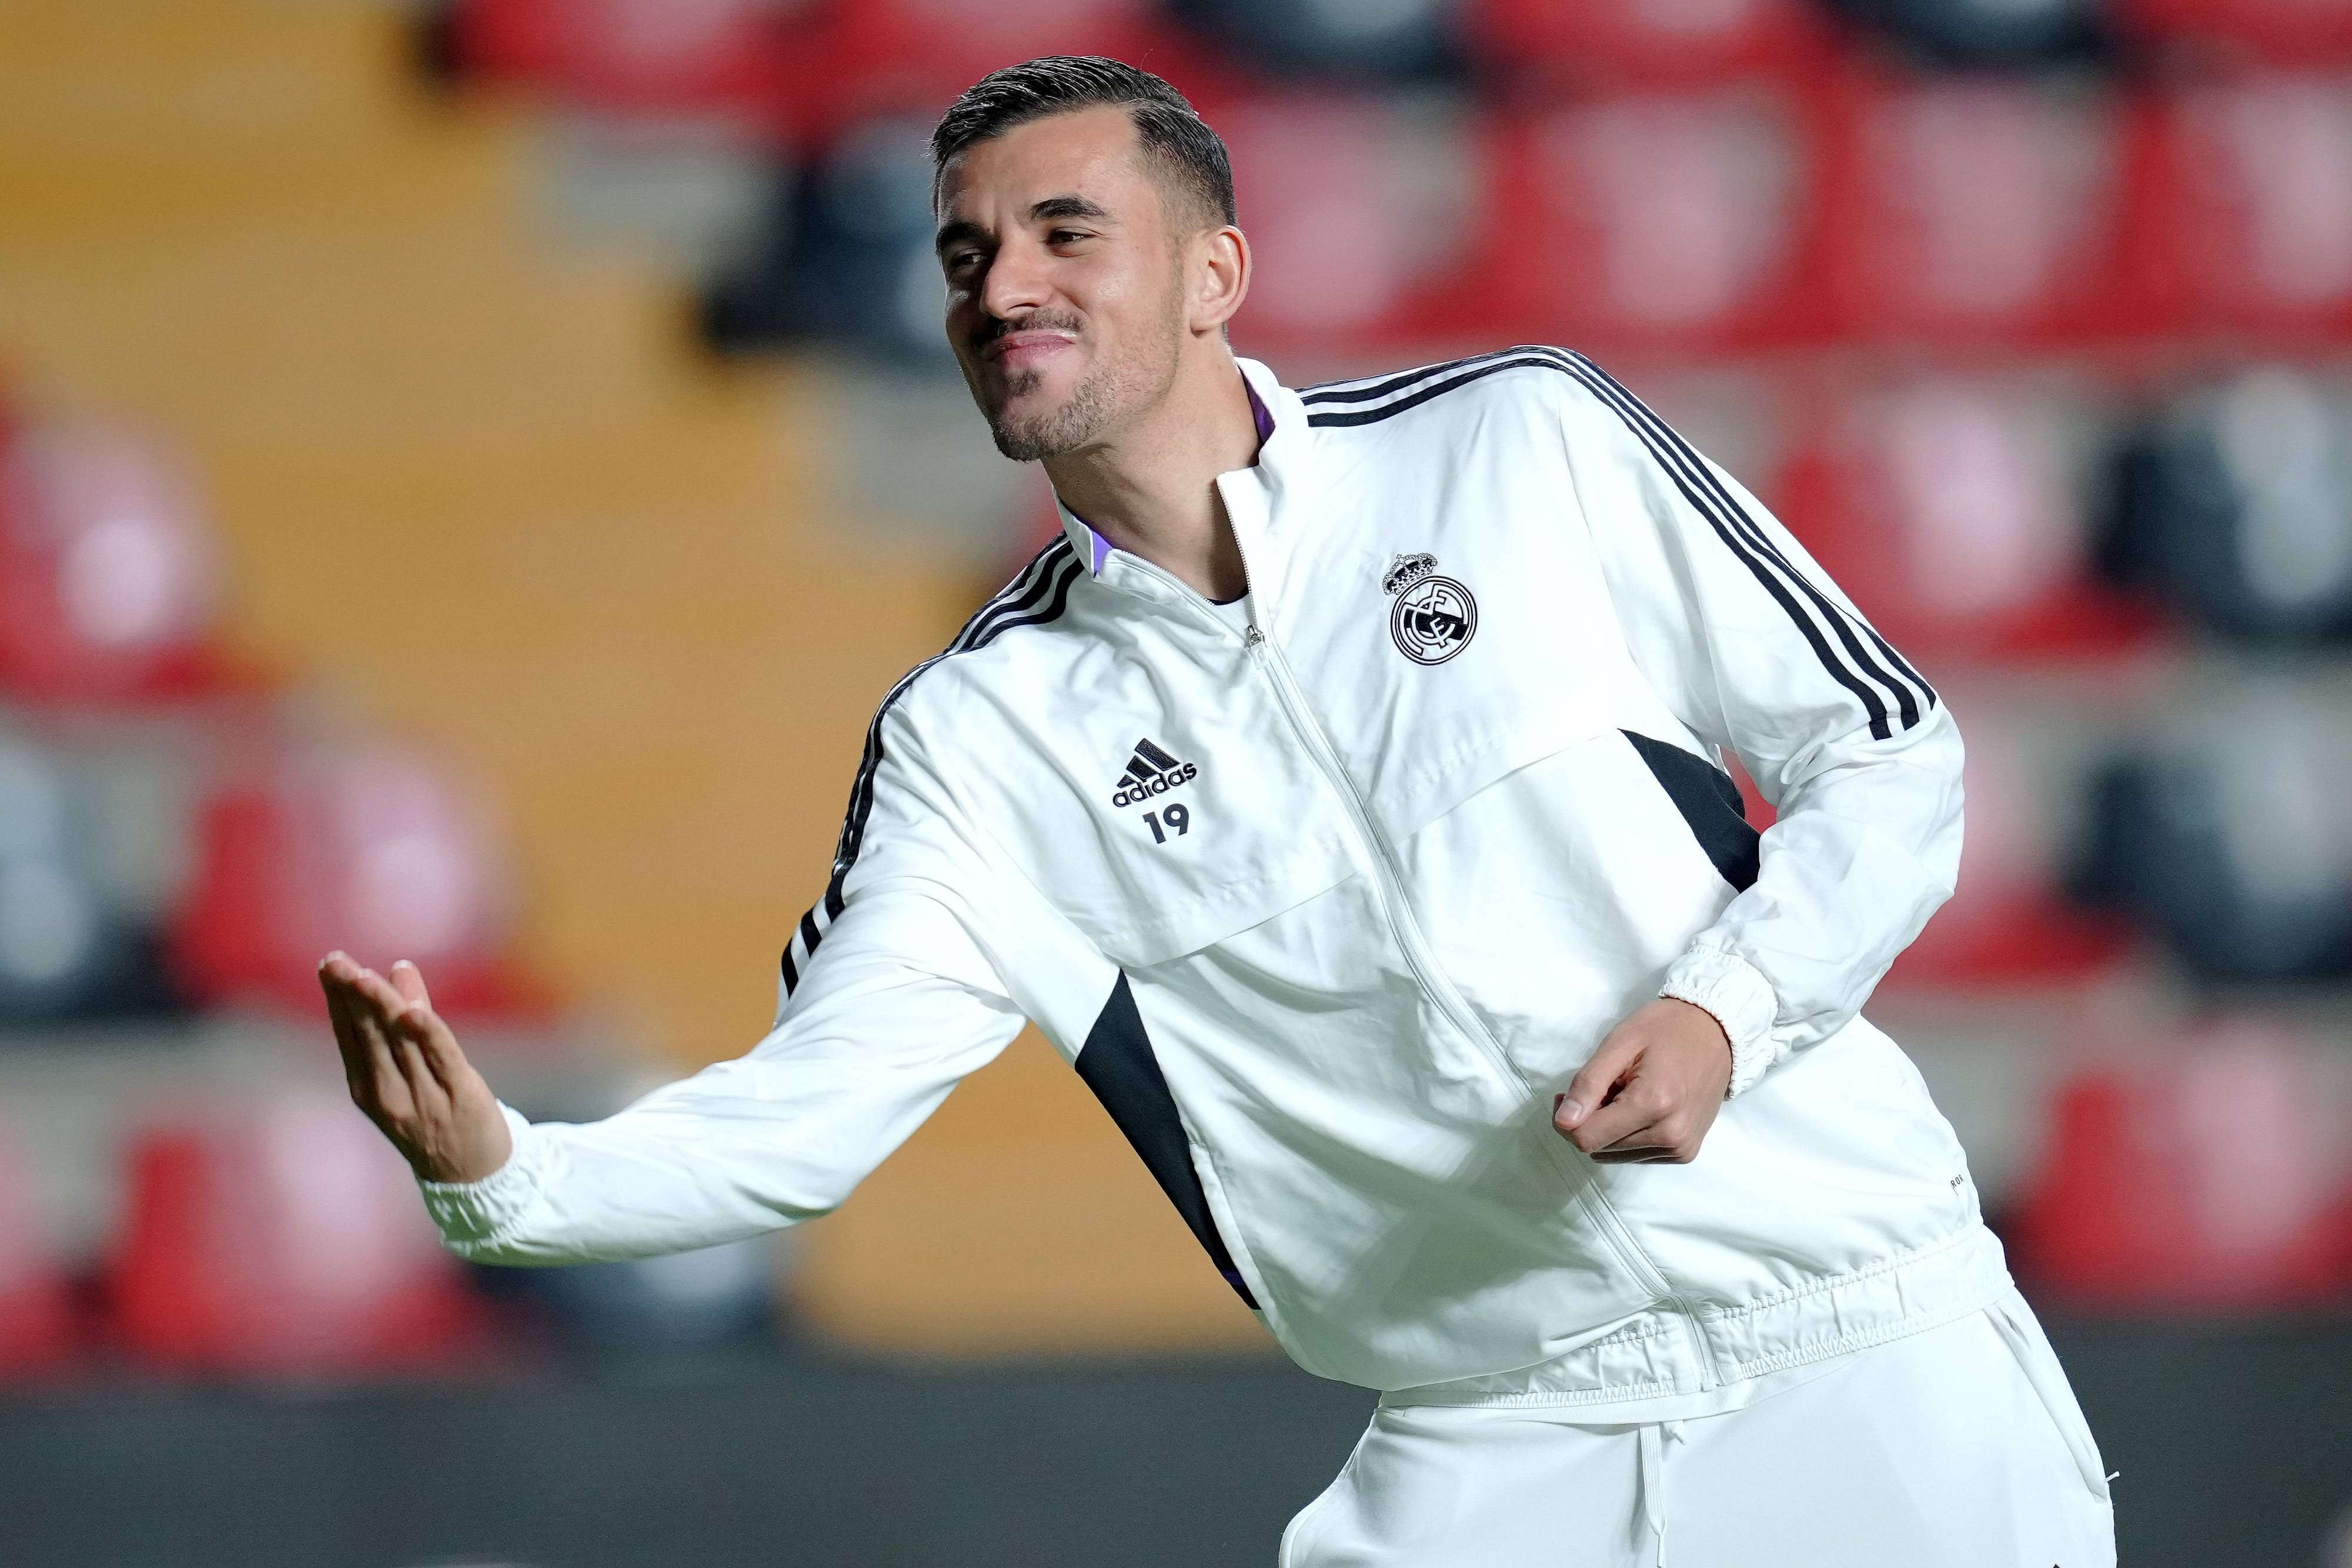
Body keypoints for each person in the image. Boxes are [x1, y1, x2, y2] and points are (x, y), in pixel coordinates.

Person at [318, 55, 2117, 1567]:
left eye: (1061, 231)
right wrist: (508, 1177)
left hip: (1867, 1354)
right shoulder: (981, 741)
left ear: (1215, 271)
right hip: (1502, 1447)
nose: (999, 283)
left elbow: (1892, 753)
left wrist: (1729, 1009)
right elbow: (811, 1114)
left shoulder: (1518, 442)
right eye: (964, 256)